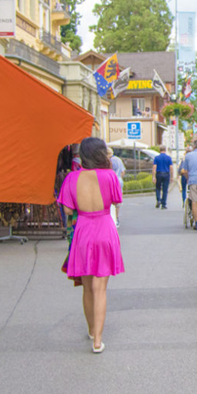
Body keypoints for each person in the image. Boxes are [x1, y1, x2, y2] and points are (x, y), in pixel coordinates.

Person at [57, 137, 124, 354]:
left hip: (83, 230)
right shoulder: (110, 176)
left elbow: (67, 210)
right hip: (104, 228)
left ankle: (91, 330)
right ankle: (98, 340)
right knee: (100, 288)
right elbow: (116, 200)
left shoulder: (71, 178)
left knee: (87, 287)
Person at [107, 147, 126, 226]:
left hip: (111, 181)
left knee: (110, 200)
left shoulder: (109, 161)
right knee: (117, 200)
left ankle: (111, 218)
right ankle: (117, 218)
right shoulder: (118, 159)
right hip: (119, 180)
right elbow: (123, 171)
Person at [152, 145, 173, 209]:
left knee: (158, 188)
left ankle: (158, 200)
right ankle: (163, 204)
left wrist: (153, 176)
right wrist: (171, 177)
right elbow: (171, 168)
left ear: (159, 150)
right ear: (165, 150)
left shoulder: (156, 158)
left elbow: (154, 167)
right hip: (166, 174)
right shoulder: (169, 158)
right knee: (165, 189)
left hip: (159, 173)